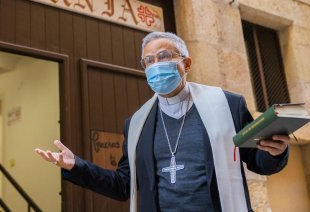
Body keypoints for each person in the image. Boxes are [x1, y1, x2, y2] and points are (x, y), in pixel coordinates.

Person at [35, 31, 290, 212]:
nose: (156, 65)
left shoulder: (227, 104)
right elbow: (123, 185)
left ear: (186, 63)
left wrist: (276, 152)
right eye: (149, 60)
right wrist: (76, 166)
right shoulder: (136, 123)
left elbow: (258, 161)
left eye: (164, 56)